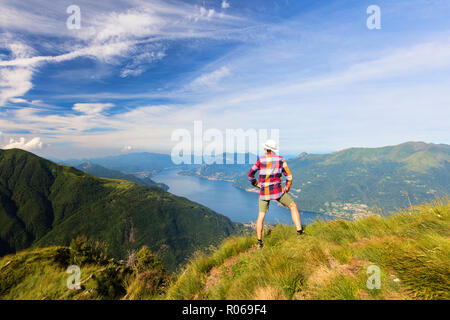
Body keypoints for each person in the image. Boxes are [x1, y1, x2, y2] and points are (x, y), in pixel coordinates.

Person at [248, 139, 303, 248]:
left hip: (264, 192)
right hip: (278, 191)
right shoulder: (281, 160)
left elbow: (250, 174)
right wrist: (286, 188)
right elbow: (289, 177)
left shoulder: (261, 160)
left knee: (261, 216)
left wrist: (256, 184)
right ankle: (300, 233)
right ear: (274, 149)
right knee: (293, 206)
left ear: (266, 149)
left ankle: (259, 242)